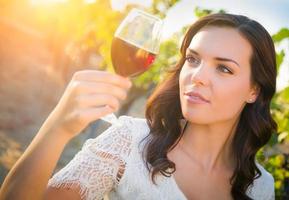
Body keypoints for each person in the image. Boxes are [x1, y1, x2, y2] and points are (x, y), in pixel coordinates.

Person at [0, 13, 276, 200]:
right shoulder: (129, 142)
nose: (198, 76)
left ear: (254, 90)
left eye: (224, 69)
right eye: (192, 60)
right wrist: (58, 128)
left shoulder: (262, 187)